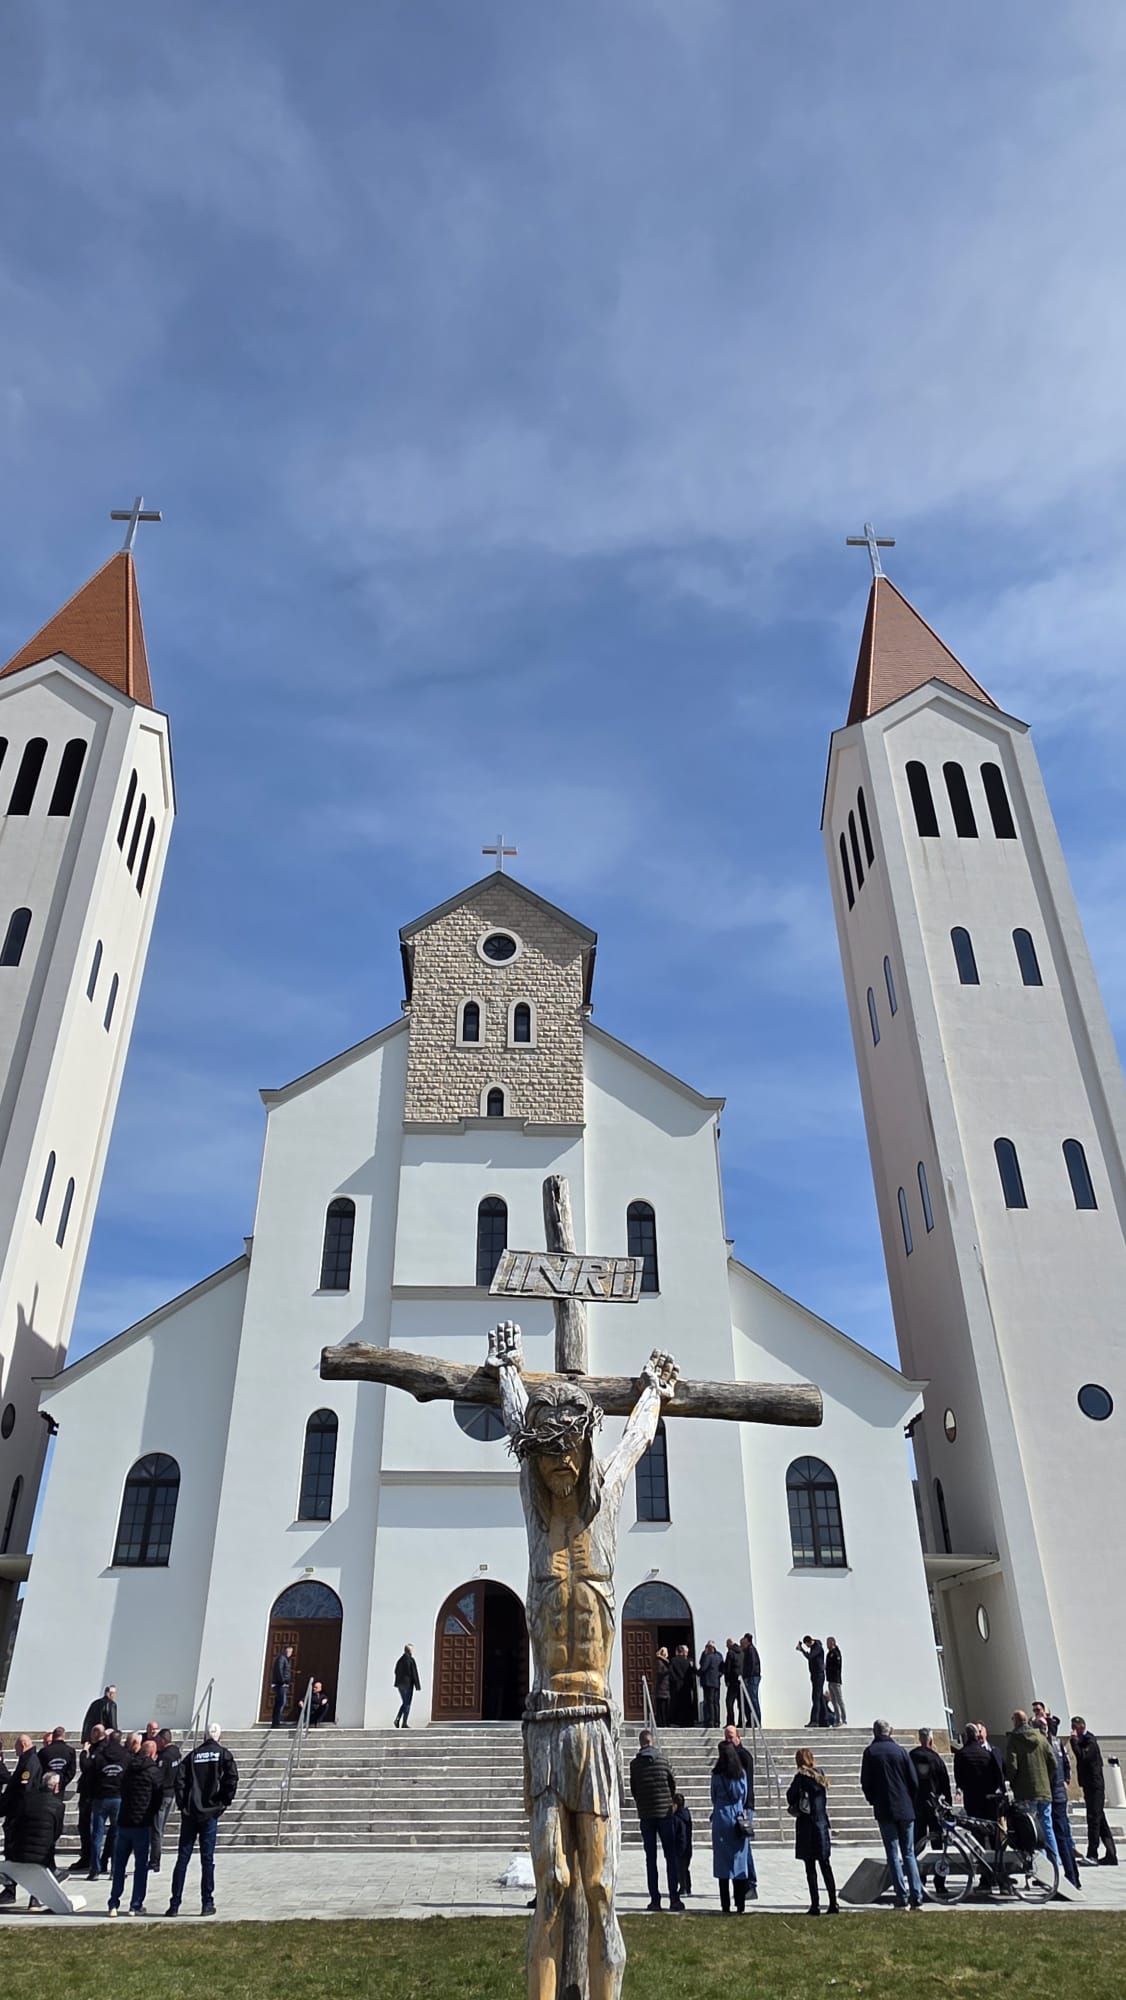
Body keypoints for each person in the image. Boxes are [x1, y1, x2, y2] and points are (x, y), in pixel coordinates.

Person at [167, 1724, 239, 1917]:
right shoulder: (223, 1754)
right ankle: (207, 1903)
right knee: (207, 1859)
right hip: (210, 1813)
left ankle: (174, 1904)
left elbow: (179, 1781)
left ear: (204, 1737)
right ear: (219, 1737)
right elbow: (232, 1779)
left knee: (183, 1858)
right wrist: (223, 1802)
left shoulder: (192, 1756)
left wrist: (183, 1805)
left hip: (191, 1813)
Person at [860, 1719, 923, 1909]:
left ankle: (901, 1896)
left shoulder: (870, 1753)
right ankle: (916, 1894)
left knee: (893, 1855)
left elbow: (866, 1782)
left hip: (885, 1808)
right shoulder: (901, 1751)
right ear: (890, 1732)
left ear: (875, 1732)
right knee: (909, 1853)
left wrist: (873, 1800)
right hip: (905, 1808)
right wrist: (909, 1800)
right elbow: (913, 1781)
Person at [629, 1729, 683, 1912]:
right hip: (665, 1814)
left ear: (640, 1743)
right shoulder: (663, 1761)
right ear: (651, 1742)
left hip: (646, 1814)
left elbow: (634, 1789)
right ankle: (674, 1898)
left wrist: (642, 1803)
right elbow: (672, 1784)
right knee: (670, 1857)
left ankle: (655, 1900)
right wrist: (669, 1801)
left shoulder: (635, 1765)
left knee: (650, 1859)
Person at [108, 1739, 163, 1916]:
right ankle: (135, 1905)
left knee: (119, 1866)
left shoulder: (128, 1769)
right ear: (153, 1753)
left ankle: (113, 1903)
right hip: (142, 1823)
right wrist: (150, 1813)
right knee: (140, 1866)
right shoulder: (154, 1772)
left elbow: (122, 1790)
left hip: (124, 1820)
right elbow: (158, 1798)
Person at [1004, 1710, 1062, 1872]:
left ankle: (1040, 1867)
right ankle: (1055, 1864)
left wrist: (1013, 1783)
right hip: (1044, 1790)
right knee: (1047, 1827)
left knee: (1031, 1830)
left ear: (1015, 1721)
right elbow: (1053, 1763)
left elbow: (1012, 1766)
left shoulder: (1014, 1739)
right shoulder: (1041, 1738)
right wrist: (1046, 1779)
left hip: (1025, 1792)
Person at [787, 1747, 838, 1915]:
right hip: (821, 1824)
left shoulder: (801, 1778)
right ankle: (833, 1902)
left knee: (810, 1867)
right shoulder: (820, 1775)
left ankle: (815, 1904)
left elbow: (790, 1797)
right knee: (825, 1864)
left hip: (806, 1826)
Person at [2, 1769, 65, 1903]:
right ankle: (36, 1898)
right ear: (56, 1787)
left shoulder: (27, 1799)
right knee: (49, 1858)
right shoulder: (58, 1805)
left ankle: (11, 1891)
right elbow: (57, 1832)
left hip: (18, 1852)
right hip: (42, 1858)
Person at [1033, 1716, 1080, 1889]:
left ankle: (1067, 1878)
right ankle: (1073, 1876)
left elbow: (1052, 1768)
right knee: (1064, 1835)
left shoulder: (1044, 1745)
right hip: (1060, 1793)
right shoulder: (1057, 1743)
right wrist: (1065, 1780)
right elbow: (1066, 1764)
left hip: (1052, 1793)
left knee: (1059, 1836)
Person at [710, 1738, 752, 1914]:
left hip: (721, 1817)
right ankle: (740, 1903)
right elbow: (744, 1795)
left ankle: (725, 1904)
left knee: (722, 1863)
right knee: (739, 1861)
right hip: (737, 1817)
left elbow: (713, 1796)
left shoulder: (717, 1775)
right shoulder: (741, 1774)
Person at [1070, 1717, 1118, 1865]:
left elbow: (1082, 1757)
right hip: (1089, 1786)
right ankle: (1111, 1854)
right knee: (1100, 1820)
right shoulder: (1082, 1741)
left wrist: (1073, 1741)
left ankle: (1092, 1855)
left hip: (1095, 1786)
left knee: (1093, 1819)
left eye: (1075, 1726)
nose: (1073, 1730)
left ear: (1082, 1726)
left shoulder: (1090, 1741)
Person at [87, 1730, 130, 1880]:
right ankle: (115, 1870)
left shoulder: (99, 1755)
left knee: (97, 1835)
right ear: (120, 1740)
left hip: (101, 1797)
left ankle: (95, 1870)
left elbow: (91, 1777)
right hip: (118, 1797)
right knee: (118, 1835)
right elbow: (129, 1777)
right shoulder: (126, 1756)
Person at [722, 1724, 758, 1898]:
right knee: (741, 1845)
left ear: (738, 1738)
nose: (728, 1740)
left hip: (744, 1807)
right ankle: (745, 1882)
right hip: (735, 1807)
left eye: (731, 1737)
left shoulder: (743, 1756)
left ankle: (750, 1883)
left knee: (744, 1845)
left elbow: (745, 1785)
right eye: (726, 1737)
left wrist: (744, 1807)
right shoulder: (728, 1757)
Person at [909, 1728, 951, 1845]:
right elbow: (945, 1782)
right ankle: (937, 1854)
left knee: (918, 1836)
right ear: (931, 1741)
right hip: (934, 1802)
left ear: (919, 1739)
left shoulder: (911, 1756)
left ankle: (917, 1854)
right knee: (936, 1834)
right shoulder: (936, 1758)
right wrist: (948, 1803)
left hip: (916, 1802)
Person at [150, 1729, 181, 1874]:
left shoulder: (165, 1756)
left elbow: (158, 1777)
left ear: (163, 1740)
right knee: (160, 1829)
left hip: (162, 1795)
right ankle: (154, 1859)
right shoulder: (176, 1753)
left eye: (158, 1740)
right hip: (171, 1794)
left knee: (157, 1830)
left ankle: (154, 1862)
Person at [0, 1734, 42, 1822]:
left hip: (20, 1808)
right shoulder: (27, 1759)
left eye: (17, 1748)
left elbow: (25, 1787)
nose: (16, 1752)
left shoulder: (30, 1761)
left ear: (23, 1745)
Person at [798, 1637, 828, 1728]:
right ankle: (824, 1720)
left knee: (815, 1697)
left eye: (807, 1645)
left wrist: (802, 1650)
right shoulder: (815, 1647)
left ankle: (815, 1720)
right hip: (816, 1675)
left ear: (809, 1642)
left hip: (818, 1675)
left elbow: (810, 1657)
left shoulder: (817, 1647)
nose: (807, 1647)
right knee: (820, 1698)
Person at [41, 1727, 77, 1800]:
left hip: (46, 1787)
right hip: (62, 1784)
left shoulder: (43, 1751)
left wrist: (46, 1783)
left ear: (53, 1736)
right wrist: (62, 1783)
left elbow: (40, 1770)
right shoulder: (70, 1751)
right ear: (63, 1736)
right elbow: (72, 1771)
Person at [668, 1644, 697, 1727]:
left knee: (677, 1703)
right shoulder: (688, 1661)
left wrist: (675, 1680)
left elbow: (670, 1672)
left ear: (677, 1652)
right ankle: (688, 1722)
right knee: (687, 1704)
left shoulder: (673, 1660)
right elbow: (693, 1672)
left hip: (677, 1685)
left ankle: (677, 1721)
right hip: (686, 1686)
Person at [393, 1644, 421, 1728]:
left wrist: (398, 1681)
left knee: (405, 1703)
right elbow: (414, 1673)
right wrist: (417, 1686)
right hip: (408, 1685)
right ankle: (404, 1723)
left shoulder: (400, 1660)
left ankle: (397, 1719)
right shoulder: (411, 1660)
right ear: (409, 1651)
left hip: (400, 1685)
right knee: (407, 1703)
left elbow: (395, 1671)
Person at [672, 1791, 693, 1897]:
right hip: (688, 1846)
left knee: (680, 1868)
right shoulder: (687, 1815)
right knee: (685, 1868)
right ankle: (688, 1887)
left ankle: (683, 1888)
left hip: (679, 1847)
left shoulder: (676, 1818)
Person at [698, 1643, 723, 1730]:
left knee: (710, 1702)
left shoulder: (708, 1657)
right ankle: (717, 1721)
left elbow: (703, 1668)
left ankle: (710, 1721)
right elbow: (722, 1669)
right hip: (716, 1682)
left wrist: (697, 1672)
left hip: (708, 1682)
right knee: (716, 1703)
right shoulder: (719, 1656)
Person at [270, 1645, 294, 1728]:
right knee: (281, 1703)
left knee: (279, 1703)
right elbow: (279, 1670)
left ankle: (276, 1722)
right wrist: (283, 1681)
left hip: (281, 1684)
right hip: (280, 1685)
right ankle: (276, 1722)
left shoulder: (283, 1659)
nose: (290, 1653)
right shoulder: (281, 1658)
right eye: (290, 1651)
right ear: (286, 1651)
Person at [741, 1634, 762, 1725]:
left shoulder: (751, 1650)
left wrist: (748, 1676)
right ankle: (751, 1720)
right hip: (751, 1677)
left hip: (752, 1677)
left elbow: (752, 1664)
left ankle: (756, 1720)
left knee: (753, 1699)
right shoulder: (748, 1650)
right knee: (749, 1699)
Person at [825, 1638, 846, 1726]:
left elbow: (837, 1666)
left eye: (828, 1643)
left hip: (835, 1680)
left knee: (839, 1700)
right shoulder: (829, 1653)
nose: (827, 1645)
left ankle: (844, 1720)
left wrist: (828, 1668)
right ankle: (837, 1720)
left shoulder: (836, 1653)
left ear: (832, 1643)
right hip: (830, 1680)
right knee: (834, 1702)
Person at [723, 1640, 744, 1726]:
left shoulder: (730, 1653)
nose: (726, 1646)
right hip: (741, 1681)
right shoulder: (742, 1652)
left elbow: (727, 1668)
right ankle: (741, 1722)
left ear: (729, 1644)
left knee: (729, 1702)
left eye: (727, 1645)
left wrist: (727, 1680)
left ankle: (731, 1722)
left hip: (733, 1681)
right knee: (740, 1703)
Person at [654, 1647, 671, 1728]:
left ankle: (665, 1722)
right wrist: (668, 1671)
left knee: (665, 1707)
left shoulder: (665, 1661)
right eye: (665, 1652)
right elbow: (660, 1672)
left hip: (665, 1687)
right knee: (662, 1707)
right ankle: (662, 1723)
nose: (667, 1653)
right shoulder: (660, 1662)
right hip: (662, 1688)